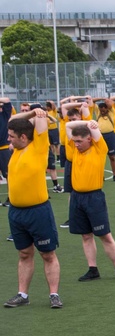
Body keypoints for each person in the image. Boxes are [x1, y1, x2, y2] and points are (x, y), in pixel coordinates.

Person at [3, 108, 63, 309]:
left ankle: (54, 294)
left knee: (47, 254)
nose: (8, 140)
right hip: (16, 212)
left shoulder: (38, 147)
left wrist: (39, 114)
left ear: (23, 137)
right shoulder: (16, 150)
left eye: (12, 137)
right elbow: (13, 119)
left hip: (38, 211)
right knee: (24, 254)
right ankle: (23, 294)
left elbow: (40, 123)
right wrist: (29, 115)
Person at [64, 119, 115, 281]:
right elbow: (68, 126)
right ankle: (92, 269)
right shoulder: (74, 150)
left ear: (89, 139)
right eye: (74, 141)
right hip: (76, 197)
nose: (76, 144)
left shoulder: (99, 149)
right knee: (86, 236)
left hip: (94, 198)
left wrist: (91, 124)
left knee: (105, 235)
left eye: (80, 141)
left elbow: (94, 130)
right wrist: (86, 123)